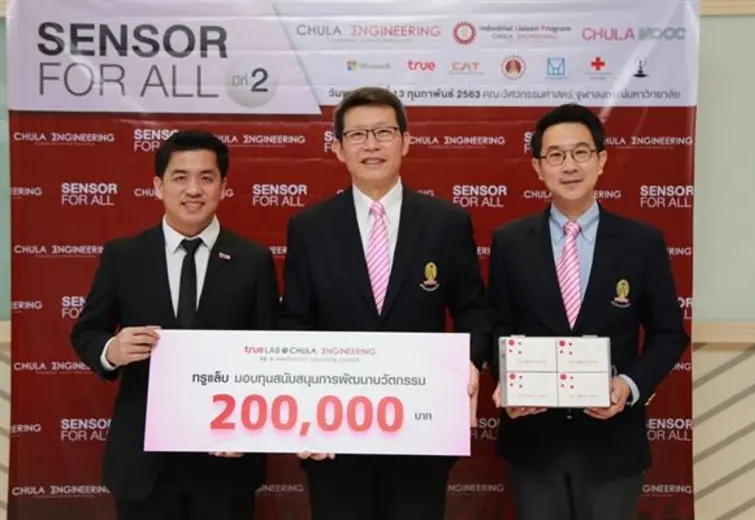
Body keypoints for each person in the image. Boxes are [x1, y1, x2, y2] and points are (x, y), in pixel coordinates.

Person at [279, 86, 492, 520]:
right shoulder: (309, 227)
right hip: (335, 434)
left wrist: (469, 362)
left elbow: (473, 308)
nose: (371, 145)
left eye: (383, 132)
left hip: (421, 430)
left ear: (405, 141)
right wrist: (304, 402)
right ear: (338, 148)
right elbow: (296, 321)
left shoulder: (446, 223)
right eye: (357, 135)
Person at [488, 103, 690, 520]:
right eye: (555, 155)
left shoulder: (641, 242)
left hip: (613, 443)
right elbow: (497, 327)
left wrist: (629, 385)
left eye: (580, 152)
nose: (569, 166)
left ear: (601, 160)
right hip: (534, 441)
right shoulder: (510, 241)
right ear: (538, 167)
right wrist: (508, 382)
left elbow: (668, 333)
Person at [70, 130, 279, 520]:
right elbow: (87, 331)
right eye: (180, 177)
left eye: (206, 178)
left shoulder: (253, 260)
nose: (193, 190)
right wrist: (112, 350)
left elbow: (270, 352)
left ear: (223, 187)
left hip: (225, 457)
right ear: (158, 186)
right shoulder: (124, 256)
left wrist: (249, 430)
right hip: (143, 460)